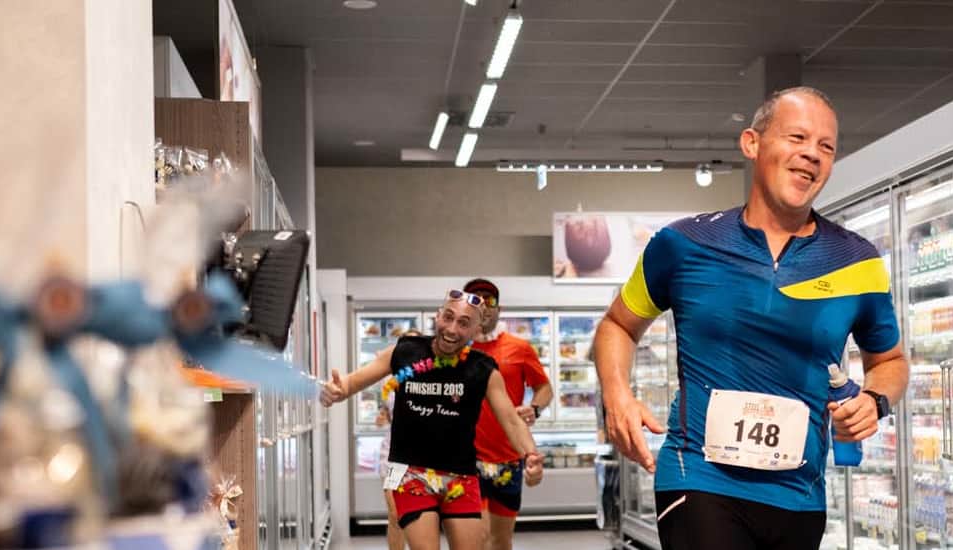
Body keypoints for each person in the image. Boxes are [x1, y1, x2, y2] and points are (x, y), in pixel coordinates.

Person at [592, 86, 909, 550]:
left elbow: (891, 361)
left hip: (799, 495)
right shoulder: (682, 244)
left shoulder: (857, 260)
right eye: (797, 137)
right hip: (698, 477)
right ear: (752, 143)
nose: (812, 154)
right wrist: (617, 394)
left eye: (826, 147)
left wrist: (874, 400)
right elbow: (617, 326)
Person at [324, 291, 545, 550]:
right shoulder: (405, 351)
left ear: (477, 330)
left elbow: (511, 420)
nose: (452, 329)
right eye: (448, 317)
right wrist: (337, 390)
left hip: (461, 475)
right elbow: (350, 383)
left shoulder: (483, 368)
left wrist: (531, 455)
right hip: (411, 474)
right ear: (437, 316)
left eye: (464, 323)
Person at [460, 279, 553, 550]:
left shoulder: (519, 348)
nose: (483, 306)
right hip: (467, 459)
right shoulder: (457, 350)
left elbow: (544, 388)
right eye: (475, 299)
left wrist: (534, 408)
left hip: (509, 459)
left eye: (489, 300)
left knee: (501, 541)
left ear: (499, 309)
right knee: (478, 538)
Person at [376, 327, 424, 550]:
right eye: (406, 344)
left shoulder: (433, 377)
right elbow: (386, 411)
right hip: (393, 456)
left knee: (418, 518)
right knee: (395, 515)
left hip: (423, 457)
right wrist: (382, 416)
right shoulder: (389, 378)